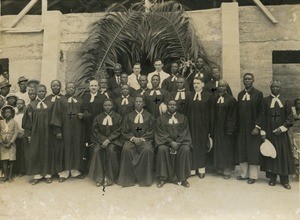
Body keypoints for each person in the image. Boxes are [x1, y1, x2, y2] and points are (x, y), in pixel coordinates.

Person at [260, 81, 295, 189]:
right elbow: (262, 116)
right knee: (271, 155)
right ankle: (272, 178)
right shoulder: (265, 101)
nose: (275, 88)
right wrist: (263, 132)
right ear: (270, 88)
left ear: (280, 88)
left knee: (283, 155)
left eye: (277, 86)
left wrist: (282, 128)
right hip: (270, 133)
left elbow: (290, 117)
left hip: (281, 134)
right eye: (273, 86)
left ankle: (285, 180)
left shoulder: (286, 101)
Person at [51, 82, 85, 182]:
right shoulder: (61, 100)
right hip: (65, 130)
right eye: (69, 87)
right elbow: (56, 115)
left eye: (73, 87)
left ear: (75, 89)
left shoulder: (80, 100)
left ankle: (75, 171)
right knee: (64, 150)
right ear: (65, 89)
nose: (71, 89)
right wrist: (57, 131)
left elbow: (86, 111)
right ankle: (64, 173)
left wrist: (83, 115)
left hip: (77, 130)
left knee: (76, 149)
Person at [118, 96, 155, 187]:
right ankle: (128, 180)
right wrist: (133, 138)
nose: (138, 103)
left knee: (147, 150)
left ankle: (144, 179)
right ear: (134, 103)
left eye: (140, 101)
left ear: (144, 104)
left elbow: (152, 130)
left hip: (145, 140)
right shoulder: (128, 116)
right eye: (136, 101)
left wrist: (142, 139)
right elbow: (124, 130)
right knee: (126, 149)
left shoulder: (149, 116)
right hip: (131, 140)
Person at [155, 100, 192, 188]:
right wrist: (171, 142)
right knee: (161, 149)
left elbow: (184, 132)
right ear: (167, 106)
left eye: (174, 105)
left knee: (186, 149)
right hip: (166, 143)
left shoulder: (183, 117)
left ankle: (183, 178)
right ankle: (163, 178)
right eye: (170, 104)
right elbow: (160, 133)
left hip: (180, 142)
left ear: (177, 106)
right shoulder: (161, 119)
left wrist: (177, 143)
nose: (172, 106)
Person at [22, 84, 54, 185]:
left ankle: (48, 174)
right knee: (35, 152)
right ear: (37, 93)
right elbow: (27, 121)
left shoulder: (50, 104)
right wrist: (29, 133)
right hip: (36, 133)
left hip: (48, 132)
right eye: (39, 91)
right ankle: (37, 175)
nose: (41, 93)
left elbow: (54, 119)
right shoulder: (31, 105)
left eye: (43, 91)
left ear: (46, 92)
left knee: (47, 151)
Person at [236, 73, 264, 184]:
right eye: (245, 79)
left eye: (249, 79)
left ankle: (253, 175)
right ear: (243, 81)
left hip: (253, 129)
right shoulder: (240, 94)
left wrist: (257, 126)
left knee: (252, 151)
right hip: (242, 129)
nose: (247, 81)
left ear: (253, 80)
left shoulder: (258, 94)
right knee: (242, 150)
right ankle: (244, 174)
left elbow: (261, 112)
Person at [89, 99, 122, 186]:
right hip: (100, 141)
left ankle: (109, 178)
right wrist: (103, 140)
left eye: (109, 105)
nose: (107, 107)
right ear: (103, 106)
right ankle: (99, 178)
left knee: (111, 151)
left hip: (114, 141)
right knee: (96, 151)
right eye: (105, 105)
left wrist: (108, 140)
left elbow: (118, 131)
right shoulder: (98, 117)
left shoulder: (118, 117)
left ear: (113, 106)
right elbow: (95, 131)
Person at [186, 77, 214, 178]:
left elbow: (211, 113)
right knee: (192, 145)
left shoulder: (209, 96)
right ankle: (193, 168)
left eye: (198, 83)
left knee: (202, 146)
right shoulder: (189, 96)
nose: (196, 85)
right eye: (194, 83)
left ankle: (201, 169)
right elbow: (187, 111)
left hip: (203, 126)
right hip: (192, 125)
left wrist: (210, 129)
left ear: (203, 84)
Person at [212, 80, 237, 179]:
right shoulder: (216, 98)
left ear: (227, 88)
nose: (221, 88)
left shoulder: (231, 100)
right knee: (218, 147)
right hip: (217, 128)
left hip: (226, 129)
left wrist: (229, 129)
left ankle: (227, 169)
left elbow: (233, 116)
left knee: (227, 148)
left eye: (223, 86)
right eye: (220, 86)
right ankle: (220, 167)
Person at [45, 80, 64, 177]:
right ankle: (51, 172)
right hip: (49, 129)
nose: (55, 87)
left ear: (60, 87)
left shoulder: (64, 98)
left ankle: (60, 171)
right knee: (51, 150)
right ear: (51, 87)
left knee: (59, 150)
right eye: (53, 85)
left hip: (60, 128)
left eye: (57, 85)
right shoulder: (47, 99)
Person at [0, 105, 18, 183]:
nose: (8, 114)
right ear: (3, 114)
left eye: (9, 112)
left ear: (12, 113)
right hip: (2, 144)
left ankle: (10, 176)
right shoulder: (0, 122)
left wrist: (11, 142)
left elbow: (16, 132)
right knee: (4, 159)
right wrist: (1, 142)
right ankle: (5, 176)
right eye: (6, 112)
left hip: (11, 144)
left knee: (11, 160)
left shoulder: (14, 122)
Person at [14, 99, 27, 176]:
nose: (19, 105)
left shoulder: (25, 113)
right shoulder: (14, 114)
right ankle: (17, 170)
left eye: (21, 103)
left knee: (23, 153)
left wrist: (24, 133)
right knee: (17, 153)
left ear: (24, 104)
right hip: (16, 135)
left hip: (23, 134)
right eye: (17, 103)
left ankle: (23, 170)